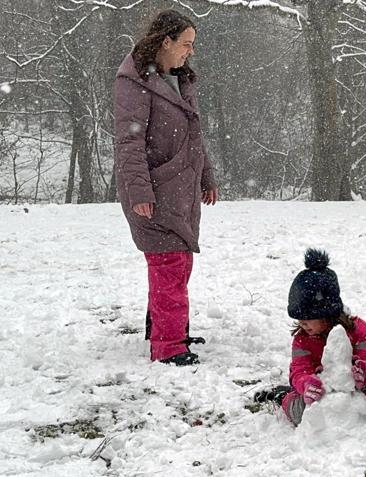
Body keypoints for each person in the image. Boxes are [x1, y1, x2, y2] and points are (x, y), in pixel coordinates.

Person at [114, 9, 217, 365]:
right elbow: (129, 143)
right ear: (166, 41)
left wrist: (207, 176)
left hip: (180, 191)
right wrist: (140, 191)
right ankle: (169, 346)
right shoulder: (134, 82)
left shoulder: (181, 79)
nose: (190, 51)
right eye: (186, 44)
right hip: (155, 192)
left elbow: (194, 135)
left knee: (176, 263)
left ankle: (165, 328)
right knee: (168, 264)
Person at [254, 249, 366, 426]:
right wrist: (306, 383)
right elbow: (299, 369)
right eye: (299, 319)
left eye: (308, 319)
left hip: (354, 392)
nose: (302, 324)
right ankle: (282, 396)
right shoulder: (302, 339)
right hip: (319, 394)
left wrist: (363, 373)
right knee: (300, 413)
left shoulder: (359, 329)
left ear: (327, 314)